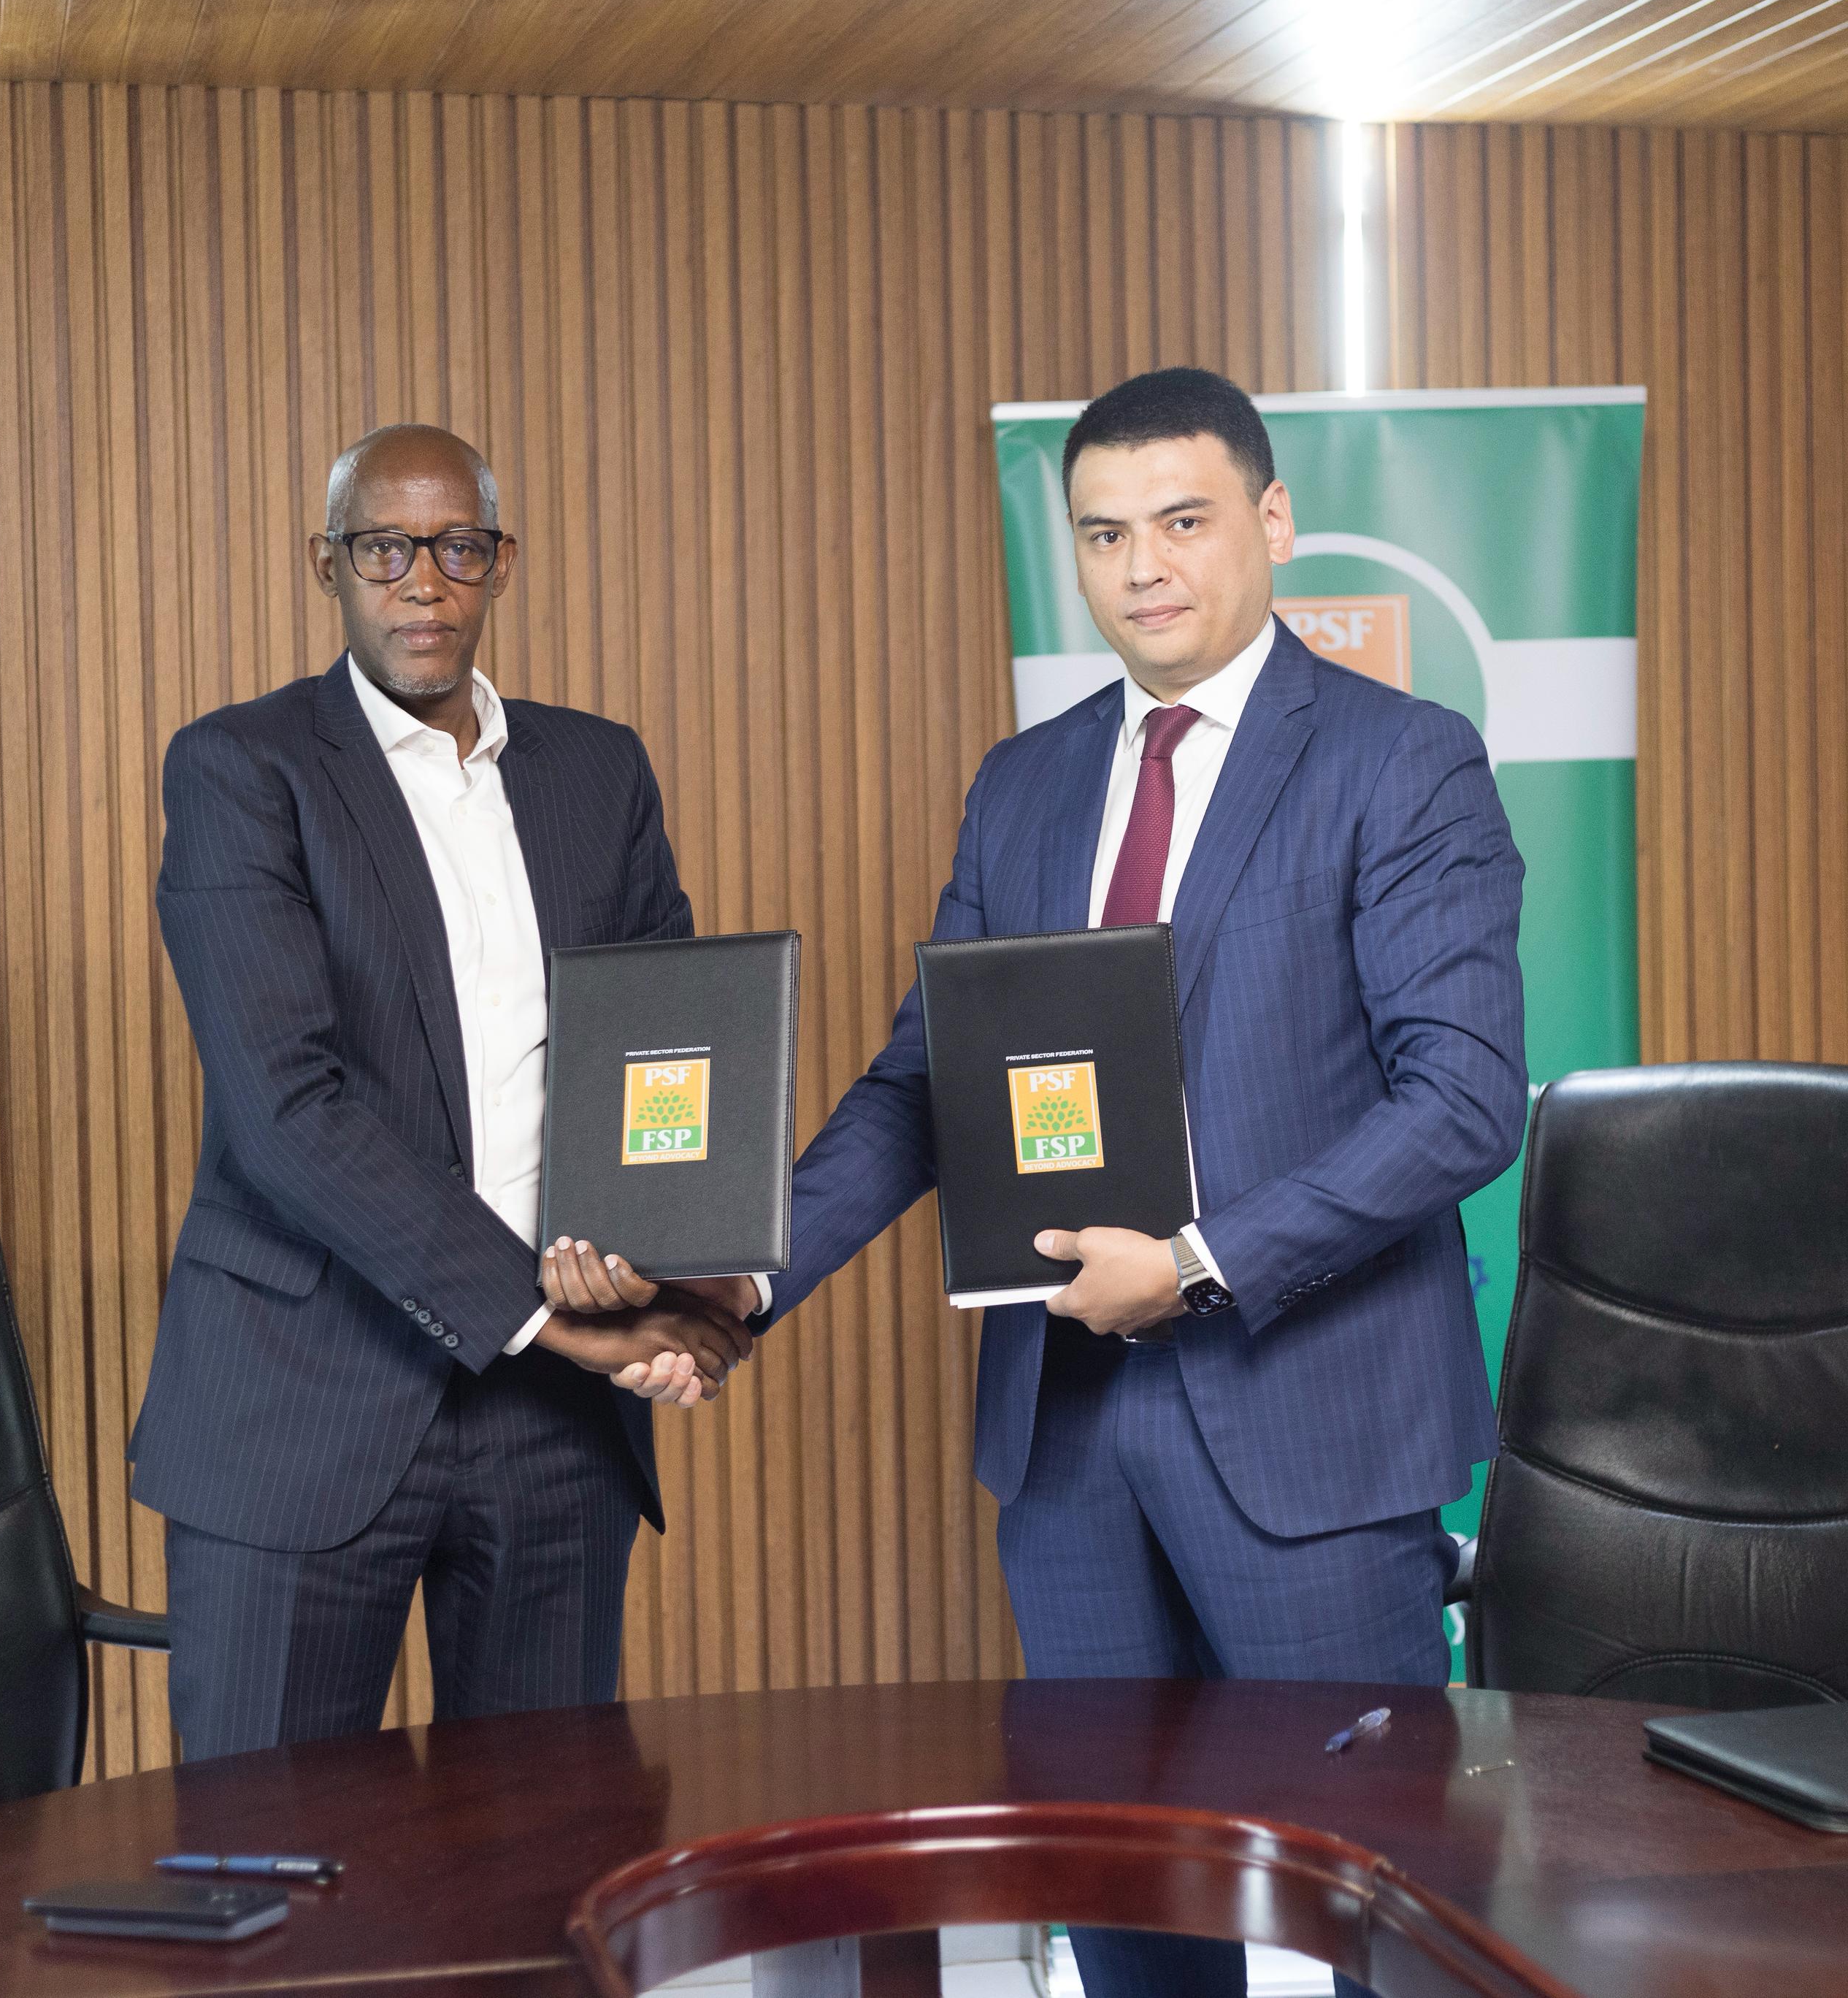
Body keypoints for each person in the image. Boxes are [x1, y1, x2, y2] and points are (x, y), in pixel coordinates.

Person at [628, 367, 1528, 1998]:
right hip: (1069, 1445)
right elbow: (926, 1087)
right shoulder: (1026, 783)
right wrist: (743, 1277)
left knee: (1388, 1928)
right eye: (1105, 533)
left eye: (1182, 521)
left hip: (1313, 1432)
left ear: (1272, 520)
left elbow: (1462, 1101)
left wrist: (1197, 1261)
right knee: (1127, 1925)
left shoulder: (1402, 760)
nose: (1143, 567)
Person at [132, 423, 751, 1761]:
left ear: (500, 563)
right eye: (384, 548)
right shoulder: (243, 768)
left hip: (554, 1431)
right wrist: (546, 1316)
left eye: (458, 546)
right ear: (330, 565)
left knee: (540, 1849)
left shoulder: (597, 771)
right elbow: (288, 1110)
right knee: (269, 1861)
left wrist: (702, 1278)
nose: (423, 580)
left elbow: (668, 1060)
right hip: (304, 1397)